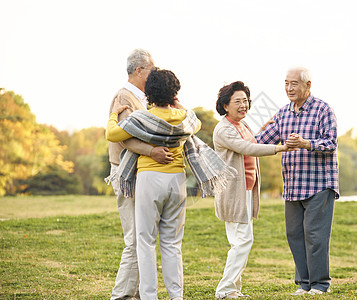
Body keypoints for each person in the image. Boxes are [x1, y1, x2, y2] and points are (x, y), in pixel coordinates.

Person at [106, 68, 205, 300]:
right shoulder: (185, 118)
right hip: (177, 180)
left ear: (148, 92)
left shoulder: (142, 118)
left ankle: (149, 296)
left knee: (145, 241)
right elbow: (197, 122)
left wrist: (114, 114)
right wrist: (178, 104)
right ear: (174, 93)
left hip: (149, 179)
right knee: (172, 243)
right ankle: (176, 296)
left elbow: (112, 134)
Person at [255, 67, 339, 295]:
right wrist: (251, 131)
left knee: (315, 236)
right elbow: (258, 142)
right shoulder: (283, 113)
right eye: (286, 83)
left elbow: (331, 143)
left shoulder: (323, 109)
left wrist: (306, 143)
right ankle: (304, 283)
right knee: (295, 235)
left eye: (294, 83)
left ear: (308, 85)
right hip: (293, 187)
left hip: (319, 185)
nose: (289, 88)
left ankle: (320, 284)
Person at [213, 81, 294, 299]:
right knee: (242, 241)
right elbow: (246, 148)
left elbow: (252, 141)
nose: (244, 105)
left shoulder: (243, 125)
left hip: (246, 191)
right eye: (238, 101)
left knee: (240, 241)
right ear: (225, 105)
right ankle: (225, 289)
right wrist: (280, 147)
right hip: (233, 193)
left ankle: (232, 290)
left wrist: (266, 129)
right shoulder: (223, 129)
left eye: (246, 101)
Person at [107, 49, 173, 300]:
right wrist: (153, 151)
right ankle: (122, 296)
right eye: (152, 69)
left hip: (139, 174)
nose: (155, 73)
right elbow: (126, 138)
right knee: (135, 239)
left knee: (141, 237)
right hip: (127, 175)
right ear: (139, 70)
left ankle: (133, 295)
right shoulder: (124, 96)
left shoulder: (140, 98)